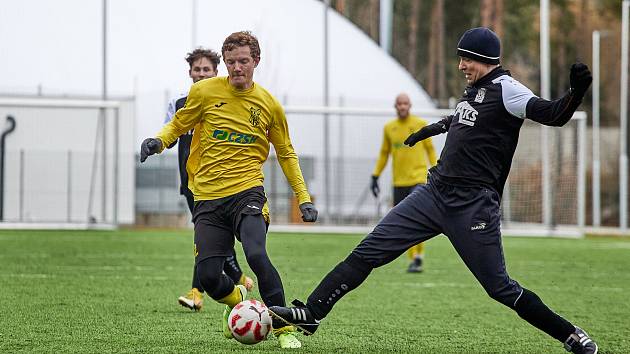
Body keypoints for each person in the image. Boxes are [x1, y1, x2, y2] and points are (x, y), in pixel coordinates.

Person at [268, 27, 598, 353]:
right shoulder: (474, 90)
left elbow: (553, 115)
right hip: (433, 194)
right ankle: (311, 314)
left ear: (481, 58)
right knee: (368, 252)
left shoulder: (508, 90)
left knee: (500, 288)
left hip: (473, 206)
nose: (461, 66)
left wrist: (576, 93)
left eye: (465, 59)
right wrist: (429, 130)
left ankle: (570, 335)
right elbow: (459, 120)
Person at [140, 31, 318, 349]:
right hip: (207, 196)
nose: (237, 68)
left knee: (256, 255)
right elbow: (179, 124)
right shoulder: (205, 93)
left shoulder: (269, 105)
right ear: (225, 63)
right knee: (209, 278)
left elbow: (286, 153)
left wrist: (303, 198)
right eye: (232, 62)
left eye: (244, 61)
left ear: (256, 62)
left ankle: (284, 328)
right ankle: (239, 301)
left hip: (247, 193)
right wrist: (158, 141)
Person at [163, 48, 254, 312]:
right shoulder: (179, 104)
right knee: (213, 238)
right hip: (191, 183)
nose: (201, 74)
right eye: (197, 69)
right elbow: (169, 135)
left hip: (220, 182)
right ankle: (237, 278)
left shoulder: (223, 101)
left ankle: (197, 292)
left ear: (216, 72)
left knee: (206, 238)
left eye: (207, 70)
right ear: (190, 72)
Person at [371, 93, 437, 273]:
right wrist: (375, 175)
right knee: (403, 220)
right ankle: (412, 258)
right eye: (399, 104)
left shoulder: (420, 125)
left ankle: (417, 257)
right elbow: (384, 153)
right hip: (399, 181)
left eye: (405, 103)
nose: (402, 106)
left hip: (418, 179)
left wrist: (438, 169)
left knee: (419, 217)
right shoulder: (389, 128)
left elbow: (430, 149)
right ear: (395, 106)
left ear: (410, 105)